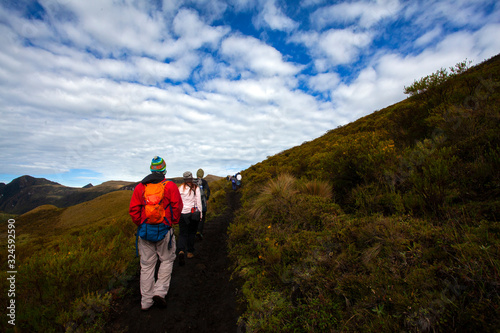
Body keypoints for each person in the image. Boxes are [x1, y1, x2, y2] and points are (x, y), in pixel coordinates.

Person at [129, 156, 183, 311]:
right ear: (164, 170)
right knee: (166, 260)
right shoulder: (170, 186)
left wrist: (141, 223)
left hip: (145, 232)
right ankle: (160, 291)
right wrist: (171, 221)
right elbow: (177, 206)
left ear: (151, 169)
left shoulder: (140, 187)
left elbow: (133, 210)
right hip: (164, 230)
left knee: (146, 266)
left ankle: (146, 301)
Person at [177, 171, 202, 264]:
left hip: (182, 214)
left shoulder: (180, 189)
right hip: (193, 214)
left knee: (183, 233)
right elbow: (198, 202)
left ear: (184, 179)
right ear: (191, 178)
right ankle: (190, 252)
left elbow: (178, 202)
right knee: (192, 233)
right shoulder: (196, 188)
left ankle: (181, 251)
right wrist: (200, 215)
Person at [194, 168, 210, 240]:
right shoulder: (204, 182)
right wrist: (207, 199)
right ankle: (199, 232)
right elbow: (208, 190)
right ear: (202, 174)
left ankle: (193, 232)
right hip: (202, 202)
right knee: (202, 217)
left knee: (194, 218)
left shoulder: (193, 181)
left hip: (194, 203)